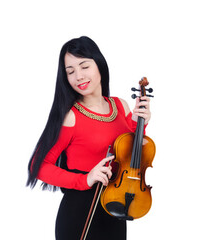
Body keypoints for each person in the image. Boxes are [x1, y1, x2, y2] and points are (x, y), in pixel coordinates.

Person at [26, 36, 152, 240]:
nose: (79, 76)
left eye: (84, 66)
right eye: (70, 71)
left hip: (116, 207)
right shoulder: (70, 116)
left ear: (99, 64)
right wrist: (86, 179)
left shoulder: (121, 106)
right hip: (80, 213)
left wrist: (140, 125)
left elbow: (132, 158)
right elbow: (38, 166)